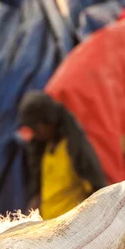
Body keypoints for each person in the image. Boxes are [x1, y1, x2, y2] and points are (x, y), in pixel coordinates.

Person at [17, 90, 107, 220]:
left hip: (72, 225)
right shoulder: (43, 149)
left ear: (49, 120)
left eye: (36, 129)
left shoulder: (73, 148)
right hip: (47, 226)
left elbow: (96, 191)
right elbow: (38, 191)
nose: (34, 134)